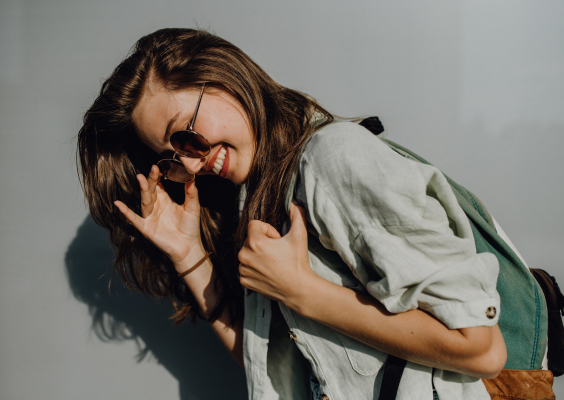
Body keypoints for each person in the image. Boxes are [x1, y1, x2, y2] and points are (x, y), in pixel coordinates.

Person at [77, 28, 507, 400]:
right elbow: (273, 375)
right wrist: (188, 254)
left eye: (186, 137)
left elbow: (481, 348)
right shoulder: (264, 201)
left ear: (222, 78)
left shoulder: (334, 157)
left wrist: (303, 292)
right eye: (173, 158)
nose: (191, 165)